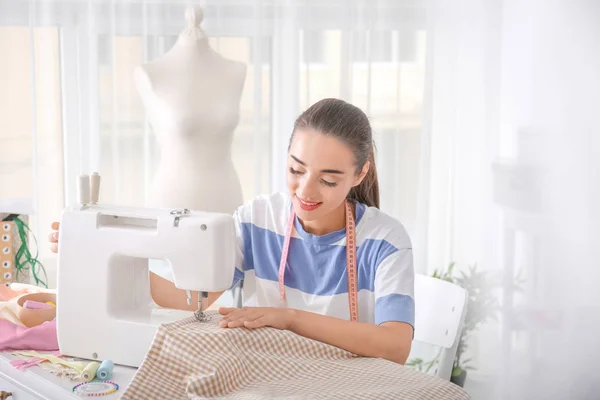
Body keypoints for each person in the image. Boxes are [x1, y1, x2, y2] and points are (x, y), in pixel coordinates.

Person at [49, 98, 415, 365]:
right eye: (295, 169)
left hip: (351, 382)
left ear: (360, 174)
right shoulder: (258, 219)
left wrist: (290, 318)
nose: (305, 191)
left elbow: (396, 346)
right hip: (274, 374)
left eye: (328, 180)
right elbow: (193, 300)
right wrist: (103, 256)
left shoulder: (385, 241)